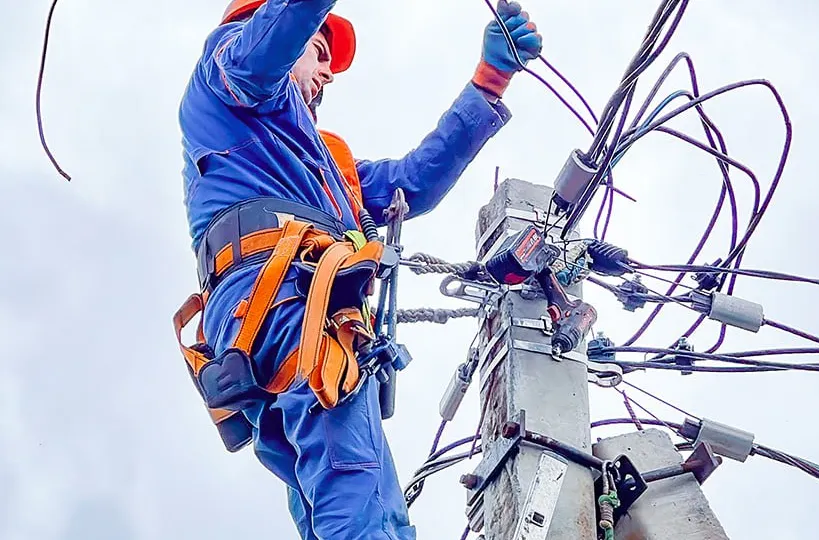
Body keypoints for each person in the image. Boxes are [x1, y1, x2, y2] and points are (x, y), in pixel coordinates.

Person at [173, 0, 543, 538]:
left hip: (277, 311)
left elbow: (410, 183)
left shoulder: (322, 161)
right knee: (355, 483)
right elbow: (276, 32)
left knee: (342, 495)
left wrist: (489, 81)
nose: (327, 76)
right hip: (284, 296)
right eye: (319, 53)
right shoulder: (228, 68)